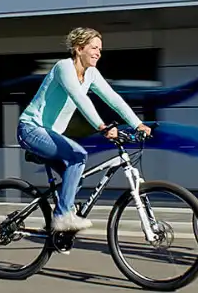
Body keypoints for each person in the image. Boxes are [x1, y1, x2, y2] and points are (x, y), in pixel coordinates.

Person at [16, 27, 152, 233]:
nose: (99, 52)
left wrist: (137, 124)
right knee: (78, 156)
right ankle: (62, 217)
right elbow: (80, 98)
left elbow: (113, 99)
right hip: (31, 129)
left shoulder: (91, 74)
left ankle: (56, 227)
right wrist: (102, 127)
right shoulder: (63, 68)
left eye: (100, 49)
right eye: (94, 48)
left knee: (75, 177)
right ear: (79, 49)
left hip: (51, 135)